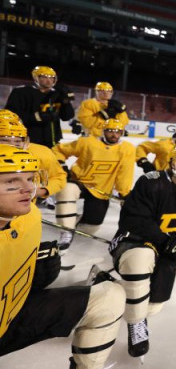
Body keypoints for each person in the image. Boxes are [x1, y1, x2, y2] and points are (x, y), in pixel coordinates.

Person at [0, 144, 125, 369]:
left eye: (30, 179)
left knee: (109, 297)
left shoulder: (30, 217)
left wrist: (37, 275)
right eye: (12, 182)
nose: (29, 189)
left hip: (11, 316)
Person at [109, 143, 176, 358]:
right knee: (139, 265)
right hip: (136, 241)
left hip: (169, 248)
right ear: (173, 162)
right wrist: (166, 239)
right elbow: (134, 220)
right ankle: (137, 325)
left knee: (154, 304)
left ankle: (107, 284)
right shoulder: (151, 182)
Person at [53, 118, 135, 253]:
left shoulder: (127, 149)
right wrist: (62, 165)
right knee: (67, 189)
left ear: (122, 133)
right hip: (79, 182)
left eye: (117, 132)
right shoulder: (87, 142)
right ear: (103, 131)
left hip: (101, 190)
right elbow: (58, 150)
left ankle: (70, 220)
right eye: (110, 131)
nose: (114, 134)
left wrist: (124, 194)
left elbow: (124, 173)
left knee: (92, 226)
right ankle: (66, 232)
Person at [0, 118, 66, 211]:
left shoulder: (41, 154)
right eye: (4, 140)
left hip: (24, 214)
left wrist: (41, 190)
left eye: (17, 141)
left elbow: (58, 177)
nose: (12, 146)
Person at [5, 65, 75, 147]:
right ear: (36, 78)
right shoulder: (21, 93)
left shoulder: (56, 95)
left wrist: (66, 102)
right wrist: (37, 117)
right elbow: (10, 116)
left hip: (52, 140)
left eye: (52, 78)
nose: (49, 81)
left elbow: (66, 117)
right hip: (29, 139)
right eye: (44, 77)